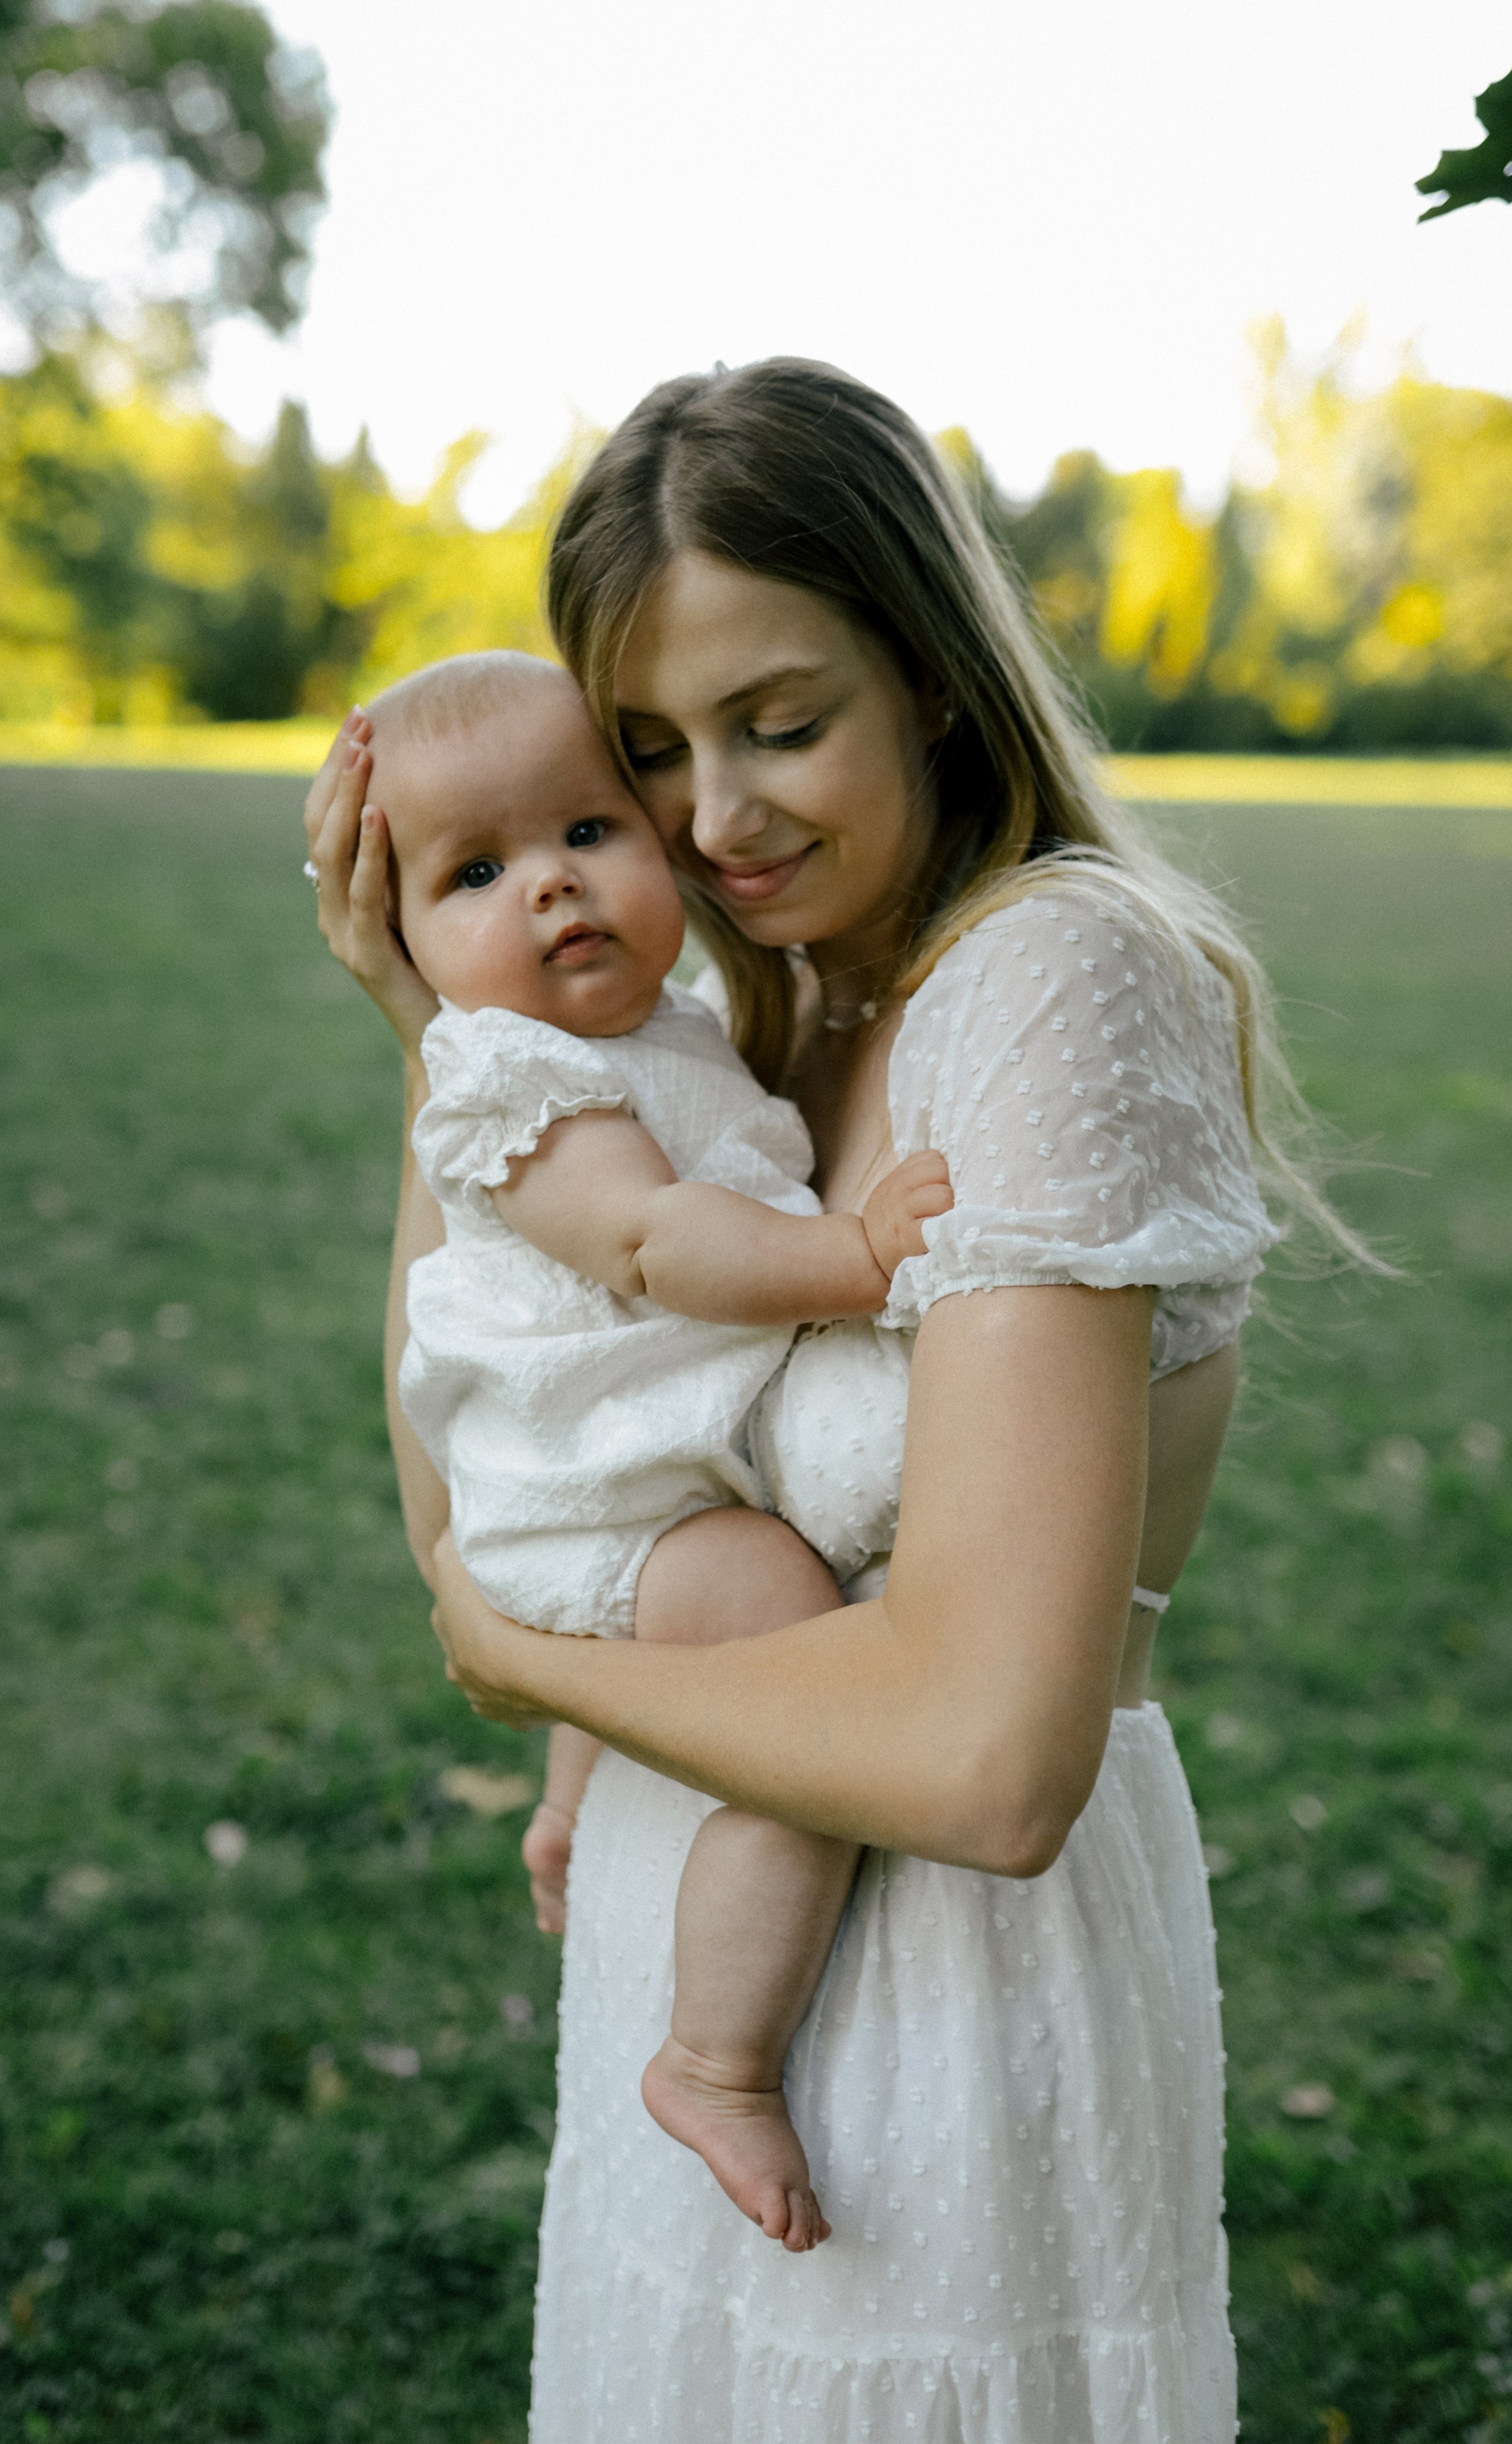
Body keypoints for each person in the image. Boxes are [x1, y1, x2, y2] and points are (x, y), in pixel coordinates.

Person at [304, 358, 1358, 2442]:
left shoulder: (1050, 979)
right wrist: (454, 1054)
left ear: (937, 674)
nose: (717, 818)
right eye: (656, 753)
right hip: (688, 1959)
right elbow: (485, 1476)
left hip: (945, 2026)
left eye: (782, 723)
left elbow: (984, 1765)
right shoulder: (756, 1024)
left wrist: (534, 1665)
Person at [357, 648, 952, 2254]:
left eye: (584, 832)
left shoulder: (682, 1023)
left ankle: (574, 1797)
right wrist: (852, 1256)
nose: (549, 888)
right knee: (788, 1640)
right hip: (586, 1493)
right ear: (404, 939)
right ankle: (714, 2057)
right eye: (474, 872)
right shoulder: (499, 1076)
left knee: (733, 1572)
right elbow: (649, 1243)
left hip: (649, 1451)